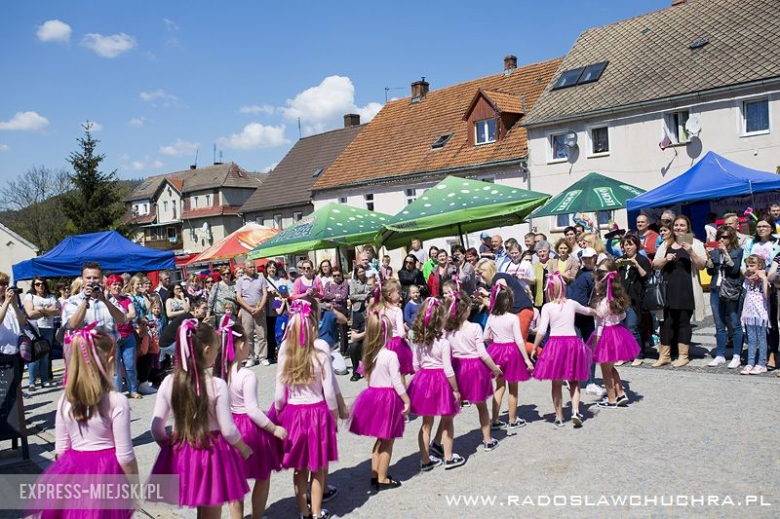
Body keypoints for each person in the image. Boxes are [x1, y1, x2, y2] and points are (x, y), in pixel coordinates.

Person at [33, 326, 138, 518]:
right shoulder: (116, 401)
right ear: (110, 360)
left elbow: (61, 451)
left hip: (73, 474)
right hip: (106, 475)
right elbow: (125, 457)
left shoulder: (65, 400)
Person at [150, 320, 252, 516]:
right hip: (212, 452)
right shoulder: (217, 385)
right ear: (206, 350)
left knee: (200, 507)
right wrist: (243, 447)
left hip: (184, 450)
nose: (216, 352)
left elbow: (156, 428)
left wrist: (169, 447)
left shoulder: (168, 382)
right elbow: (228, 429)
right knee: (212, 510)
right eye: (215, 349)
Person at [274, 300, 339, 519]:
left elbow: (278, 396)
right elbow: (329, 393)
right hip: (317, 413)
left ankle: (303, 512)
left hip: (293, 413)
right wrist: (334, 415)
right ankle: (317, 512)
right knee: (318, 467)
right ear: (310, 330)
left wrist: (278, 413)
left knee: (299, 467)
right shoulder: (320, 354)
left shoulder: (285, 357)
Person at [216, 319, 287, 519]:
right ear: (240, 346)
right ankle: (257, 516)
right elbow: (253, 410)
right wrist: (274, 429)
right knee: (263, 475)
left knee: (234, 480)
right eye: (247, 343)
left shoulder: (221, 374)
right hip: (248, 429)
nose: (248, 347)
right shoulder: (247, 375)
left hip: (230, 427)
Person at [349, 312, 410, 491]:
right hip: (388, 399)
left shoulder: (369, 353)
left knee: (379, 439)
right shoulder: (390, 355)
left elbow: (366, 376)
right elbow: (397, 382)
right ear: (386, 333)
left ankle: (375, 474)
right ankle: (383, 478)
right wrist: (406, 400)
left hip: (373, 396)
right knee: (388, 441)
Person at [532, 273, 598, 428]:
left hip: (555, 344)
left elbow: (542, 330)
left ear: (549, 290)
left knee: (556, 382)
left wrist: (535, 346)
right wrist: (598, 312)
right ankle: (575, 411)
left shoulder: (547, 307)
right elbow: (587, 310)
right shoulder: (572, 303)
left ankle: (559, 416)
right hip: (572, 343)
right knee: (574, 380)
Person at [408, 297, 465, 471]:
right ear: (441, 319)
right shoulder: (443, 343)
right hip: (441, 381)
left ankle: (425, 461)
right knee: (447, 420)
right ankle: (448, 457)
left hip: (424, 380)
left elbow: (415, 365)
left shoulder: (418, 341)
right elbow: (448, 370)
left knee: (426, 423)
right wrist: (456, 389)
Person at [443, 291, 502, 451]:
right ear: (468, 308)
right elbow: (482, 353)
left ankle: (441, 444)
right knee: (481, 406)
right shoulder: (475, 327)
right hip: (475, 368)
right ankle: (487, 440)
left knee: (452, 408)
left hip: (457, 367)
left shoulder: (448, 330)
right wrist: (494, 368)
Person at [652, 215, 707, 368]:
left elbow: (703, 265)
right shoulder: (666, 243)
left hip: (686, 290)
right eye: (676, 225)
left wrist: (691, 252)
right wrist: (665, 259)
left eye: (682, 225)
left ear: (688, 227)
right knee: (666, 323)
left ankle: (683, 356)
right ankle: (664, 356)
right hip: (667, 290)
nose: (678, 228)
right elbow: (655, 264)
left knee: (683, 322)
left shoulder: (695, 243)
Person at [483, 284, 534, 433]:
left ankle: (495, 420)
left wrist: (493, 343)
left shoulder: (492, 317)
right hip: (511, 352)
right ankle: (512, 420)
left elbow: (486, 337)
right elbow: (519, 339)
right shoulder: (513, 318)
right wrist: (526, 359)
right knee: (513, 388)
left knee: (499, 386)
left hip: (497, 350)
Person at [588, 267, 640, 408]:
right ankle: (621, 393)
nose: (595, 284)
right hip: (618, 332)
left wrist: (594, 345)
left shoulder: (601, 303)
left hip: (605, 335)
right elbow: (622, 316)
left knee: (606, 370)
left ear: (601, 284)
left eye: (596, 281)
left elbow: (599, 325)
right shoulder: (617, 300)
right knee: (611, 367)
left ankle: (611, 399)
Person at [742, 216, 780, 369]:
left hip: (770, 285)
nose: (761, 229)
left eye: (765, 226)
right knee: (753, 323)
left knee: (771, 322)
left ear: (771, 228)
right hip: (752, 287)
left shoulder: (776, 243)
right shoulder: (751, 243)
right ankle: (755, 357)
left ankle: (772, 354)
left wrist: (765, 276)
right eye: (759, 226)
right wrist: (748, 275)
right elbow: (744, 263)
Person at [706, 225, 744, 368]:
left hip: (731, 289)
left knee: (735, 323)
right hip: (716, 289)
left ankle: (736, 356)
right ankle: (720, 355)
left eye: (725, 237)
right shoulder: (715, 251)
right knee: (719, 324)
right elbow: (710, 272)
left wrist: (725, 254)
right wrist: (709, 257)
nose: (722, 239)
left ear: (731, 238)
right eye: (720, 237)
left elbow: (734, 270)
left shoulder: (738, 251)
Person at [567, 248, 602, 396]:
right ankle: (572, 378)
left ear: (595, 257)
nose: (587, 260)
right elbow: (577, 297)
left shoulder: (598, 274)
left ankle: (590, 381)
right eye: (585, 258)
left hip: (587, 316)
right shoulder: (581, 274)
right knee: (575, 348)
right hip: (575, 316)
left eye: (589, 258)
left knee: (589, 349)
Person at [63, 262, 127, 342]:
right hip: (84, 350)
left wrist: (106, 302)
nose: (92, 281)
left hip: (108, 350)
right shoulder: (72, 301)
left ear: (101, 279)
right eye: (88, 278)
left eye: (95, 278)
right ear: (82, 279)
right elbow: (72, 325)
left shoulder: (109, 299)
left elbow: (123, 320)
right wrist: (85, 301)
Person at [617, 235, 652, 367]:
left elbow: (647, 277)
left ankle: (638, 354)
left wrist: (637, 265)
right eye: (625, 245)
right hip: (620, 298)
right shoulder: (622, 260)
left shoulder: (642, 260)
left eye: (630, 244)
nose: (627, 247)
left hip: (635, 299)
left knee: (632, 327)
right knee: (621, 328)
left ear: (636, 245)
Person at [104, 275, 139, 399]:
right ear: (109, 286)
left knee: (130, 366)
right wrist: (124, 317)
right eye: (114, 284)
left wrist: (119, 317)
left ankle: (133, 390)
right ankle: (116, 393)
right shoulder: (106, 301)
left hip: (128, 335)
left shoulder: (126, 299)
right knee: (115, 369)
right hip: (113, 337)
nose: (117, 287)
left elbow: (133, 314)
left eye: (119, 284)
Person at [374, 279, 414, 377]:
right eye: (398, 293)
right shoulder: (397, 310)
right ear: (389, 294)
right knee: (399, 374)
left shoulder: (379, 309)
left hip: (383, 342)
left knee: (387, 374)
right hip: (396, 343)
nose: (400, 295)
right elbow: (401, 333)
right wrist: (406, 337)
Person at [24, 277, 58, 390]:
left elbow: (56, 311)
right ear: (34, 285)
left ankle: (44, 380)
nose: (40, 286)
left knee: (45, 356)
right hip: (35, 328)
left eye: (42, 283)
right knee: (35, 355)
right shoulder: (30, 296)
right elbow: (30, 313)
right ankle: (32, 382)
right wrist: (46, 311)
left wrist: (40, 310)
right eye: (37, 284)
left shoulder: (51, 297)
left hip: (48, 328)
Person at [236, 259, 269, 367]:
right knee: (248, 334)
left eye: (253, 266)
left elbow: (265, 294)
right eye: (250, 267)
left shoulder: (261, 278)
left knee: (262, 334)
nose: (253, 268)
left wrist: (259, 308)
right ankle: (250, 357)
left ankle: (263, 357)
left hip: (260, 309)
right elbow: (239, 297)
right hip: (246, 311)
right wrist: (249, 308)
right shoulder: (240, 281)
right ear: (244, 269)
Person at [741, 255, 770, 375]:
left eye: (752, 265)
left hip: (761, 315)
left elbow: (767, 295)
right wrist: (743, 313)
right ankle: (750, 362)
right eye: (748, 266)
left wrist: (764, 278)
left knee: (762, 339)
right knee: (751, 340)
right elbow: (746, 297)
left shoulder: (764, 280)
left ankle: (762, 364)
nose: (749, 268)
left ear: (760, 266)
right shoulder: (747, 281)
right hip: (749, 314)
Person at [322, 266, 349, 355]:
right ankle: (332, 348)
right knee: (332, 330)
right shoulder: (328, 284)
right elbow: (326, 295)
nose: (336, 277)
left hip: (342, 309)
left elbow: (343, 296)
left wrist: (332, 296)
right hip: (331, 309)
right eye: (334, 275)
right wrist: (335, 296)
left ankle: (344, 351)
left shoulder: (344, 283)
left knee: (343, 331)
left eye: (338, 275)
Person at [0, 273, 26, 356]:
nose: (6, 287)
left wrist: (14, 304)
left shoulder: (10, 303)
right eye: (2, 284)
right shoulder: (6, 302)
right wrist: (7, 302)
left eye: (7, 284)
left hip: (16, 348)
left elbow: (22, 322)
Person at [531, 241, 554, 308]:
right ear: (537, 254)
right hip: (539, 301)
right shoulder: (534, 266)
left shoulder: (555, 263)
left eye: (544, 251)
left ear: (549, 251)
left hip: (553, 300)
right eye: (540, 252)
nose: (542, 253)